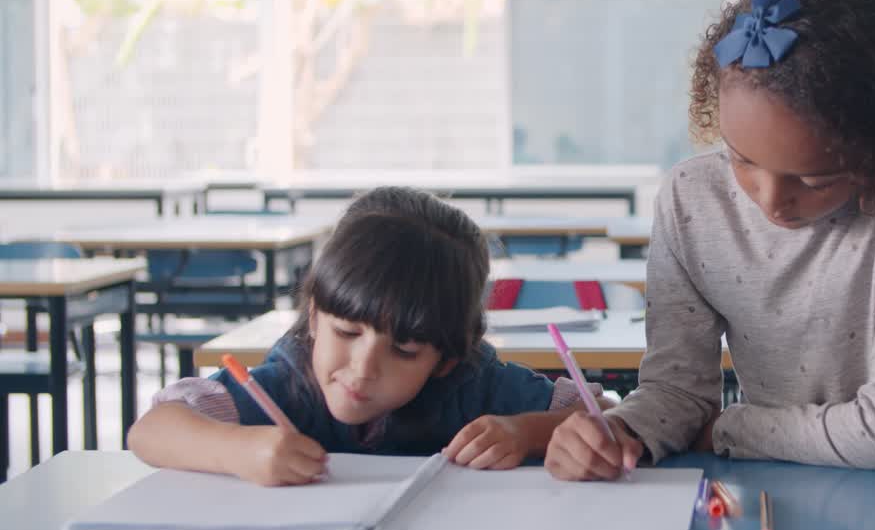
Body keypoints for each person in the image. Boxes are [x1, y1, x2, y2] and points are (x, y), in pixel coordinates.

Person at [546, 0, 875, 482]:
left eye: (815, 179)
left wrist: (730, 430)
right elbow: (679, 392)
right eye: (741, 158)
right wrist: (620, 431)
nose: (771, 199)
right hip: (780, 477)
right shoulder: (691, 201)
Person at [129, 186, 603, 486]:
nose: (363, 368)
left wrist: (526, 433)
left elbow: (604, 417)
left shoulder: (473, 384)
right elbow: (150, 431)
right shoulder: (285, 382)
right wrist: (240, 450)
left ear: (445, 359)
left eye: (404, 350)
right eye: (346, 331)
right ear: (314, 317)